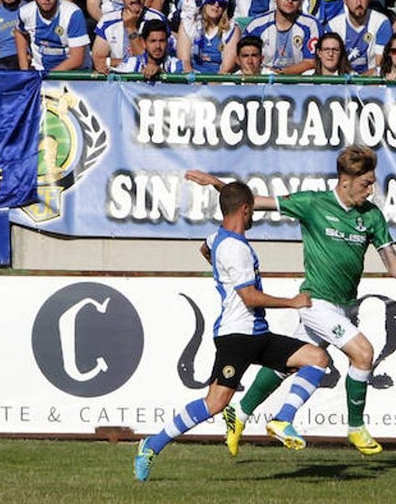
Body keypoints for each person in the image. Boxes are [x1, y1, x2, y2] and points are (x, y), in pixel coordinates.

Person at [186, 146, 396, 456]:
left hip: (345, 306)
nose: (370, 189)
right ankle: (350, 428)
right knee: (363, 353)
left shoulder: (372, 217)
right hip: (315, 302)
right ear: (344, 180)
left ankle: (239, 414)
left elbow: (393, 264)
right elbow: (252, 202)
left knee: (288, 364)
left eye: (372, 182)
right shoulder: (312, 204)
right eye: (365, 182)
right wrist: (217, 183)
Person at [133, 180, 331, 480]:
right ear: (245, 209)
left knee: (317, 358)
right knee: (214, 404)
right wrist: (292, 302)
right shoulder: (235, 249)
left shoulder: (217, 238)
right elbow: (249, 297)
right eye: (252, 211)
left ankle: (282, 420)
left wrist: (221, 272)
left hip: (257, 333)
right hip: (236, 336)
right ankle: (151, 445)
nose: (254, 217)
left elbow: (205, 248)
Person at [243, 0, 322, 74]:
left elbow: (311, 62)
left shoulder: (311, 24)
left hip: (299, 79)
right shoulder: (256, 25)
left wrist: (281, 73)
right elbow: (244, 58)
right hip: (263, 75)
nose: (290, 1)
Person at [92, 0, 169, 72]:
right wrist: (128, 64)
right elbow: (98, 59)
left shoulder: (157, 18)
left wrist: (131, 28)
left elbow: (155, 58)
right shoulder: (107, 21)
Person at [15, 0, 90, 71]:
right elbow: (19, 32)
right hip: (40, 71)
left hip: (74, 74)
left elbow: (77, 59)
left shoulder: (72, 13)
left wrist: (50, 76)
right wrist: (23, 66)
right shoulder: (25, 12)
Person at [328, 0, 393, 74]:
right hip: (342, 81)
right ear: (345, 0)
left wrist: (360, 80)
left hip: (372, 81)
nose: (358, 3)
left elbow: (380, 65)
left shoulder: (381, 22)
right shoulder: (333, 26)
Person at [176, 0, 239, 73]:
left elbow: (226, 68)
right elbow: (184, 62)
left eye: (221, 3)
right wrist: (195, 85)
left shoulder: (231, 29)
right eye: (212, 1)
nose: (216, 5)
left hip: (219, 80)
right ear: (204, 2)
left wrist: (212, 86)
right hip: (192, 79)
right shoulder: (189, 23)